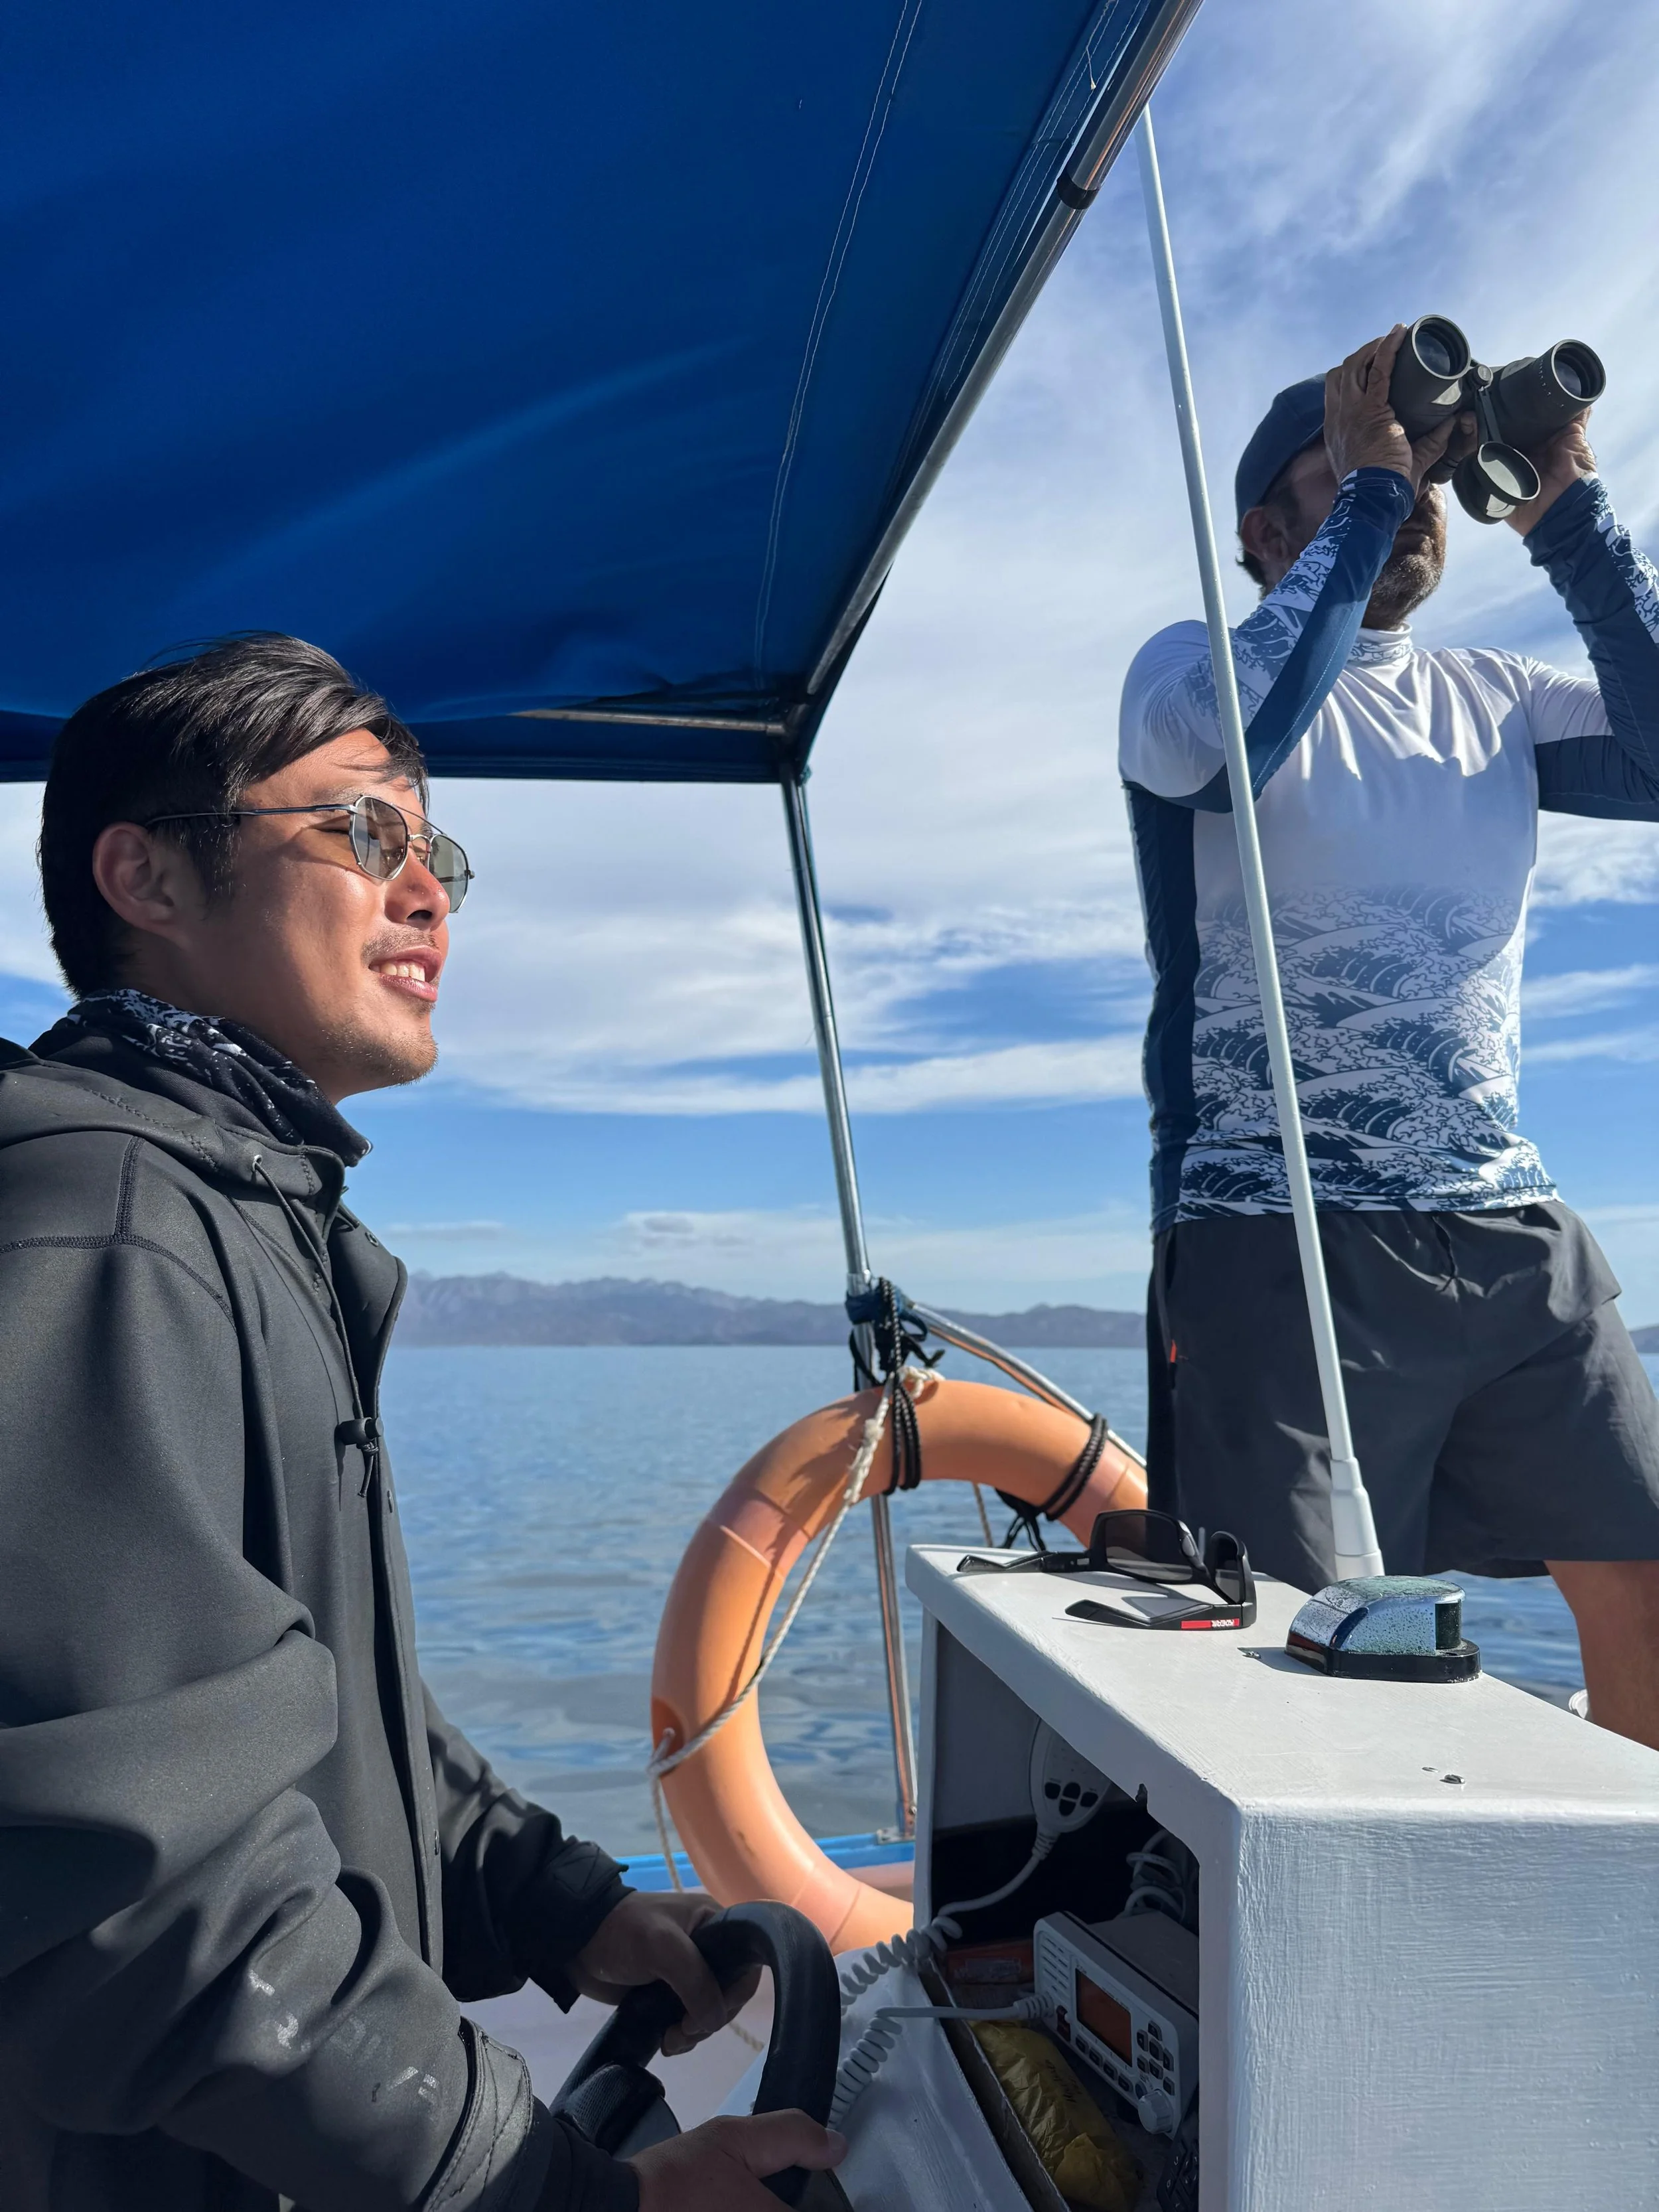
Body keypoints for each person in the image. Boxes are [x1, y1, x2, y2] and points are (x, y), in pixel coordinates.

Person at [0, 636, 845, 2211]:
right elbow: (137, 1874)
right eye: (364, 833)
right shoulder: (109, 1224)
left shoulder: (243, 1214)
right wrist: (561, 2187)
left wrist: (560, 1906)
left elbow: (311, 1713)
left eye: (437, 850)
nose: (431, 894)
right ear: (146, 879)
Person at [1119, 325, 1659, 1748]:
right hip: (1275, 1235)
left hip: (1504, 1233)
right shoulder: (1179, 671)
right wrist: (1363, 498)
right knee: (1276, 1652)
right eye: (1357, 458)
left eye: (1420, 462)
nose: (1409, 485)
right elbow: (1229, 748)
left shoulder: (1495, 699)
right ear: (1261, 526)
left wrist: (1567, 517)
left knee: (1645, 1578)